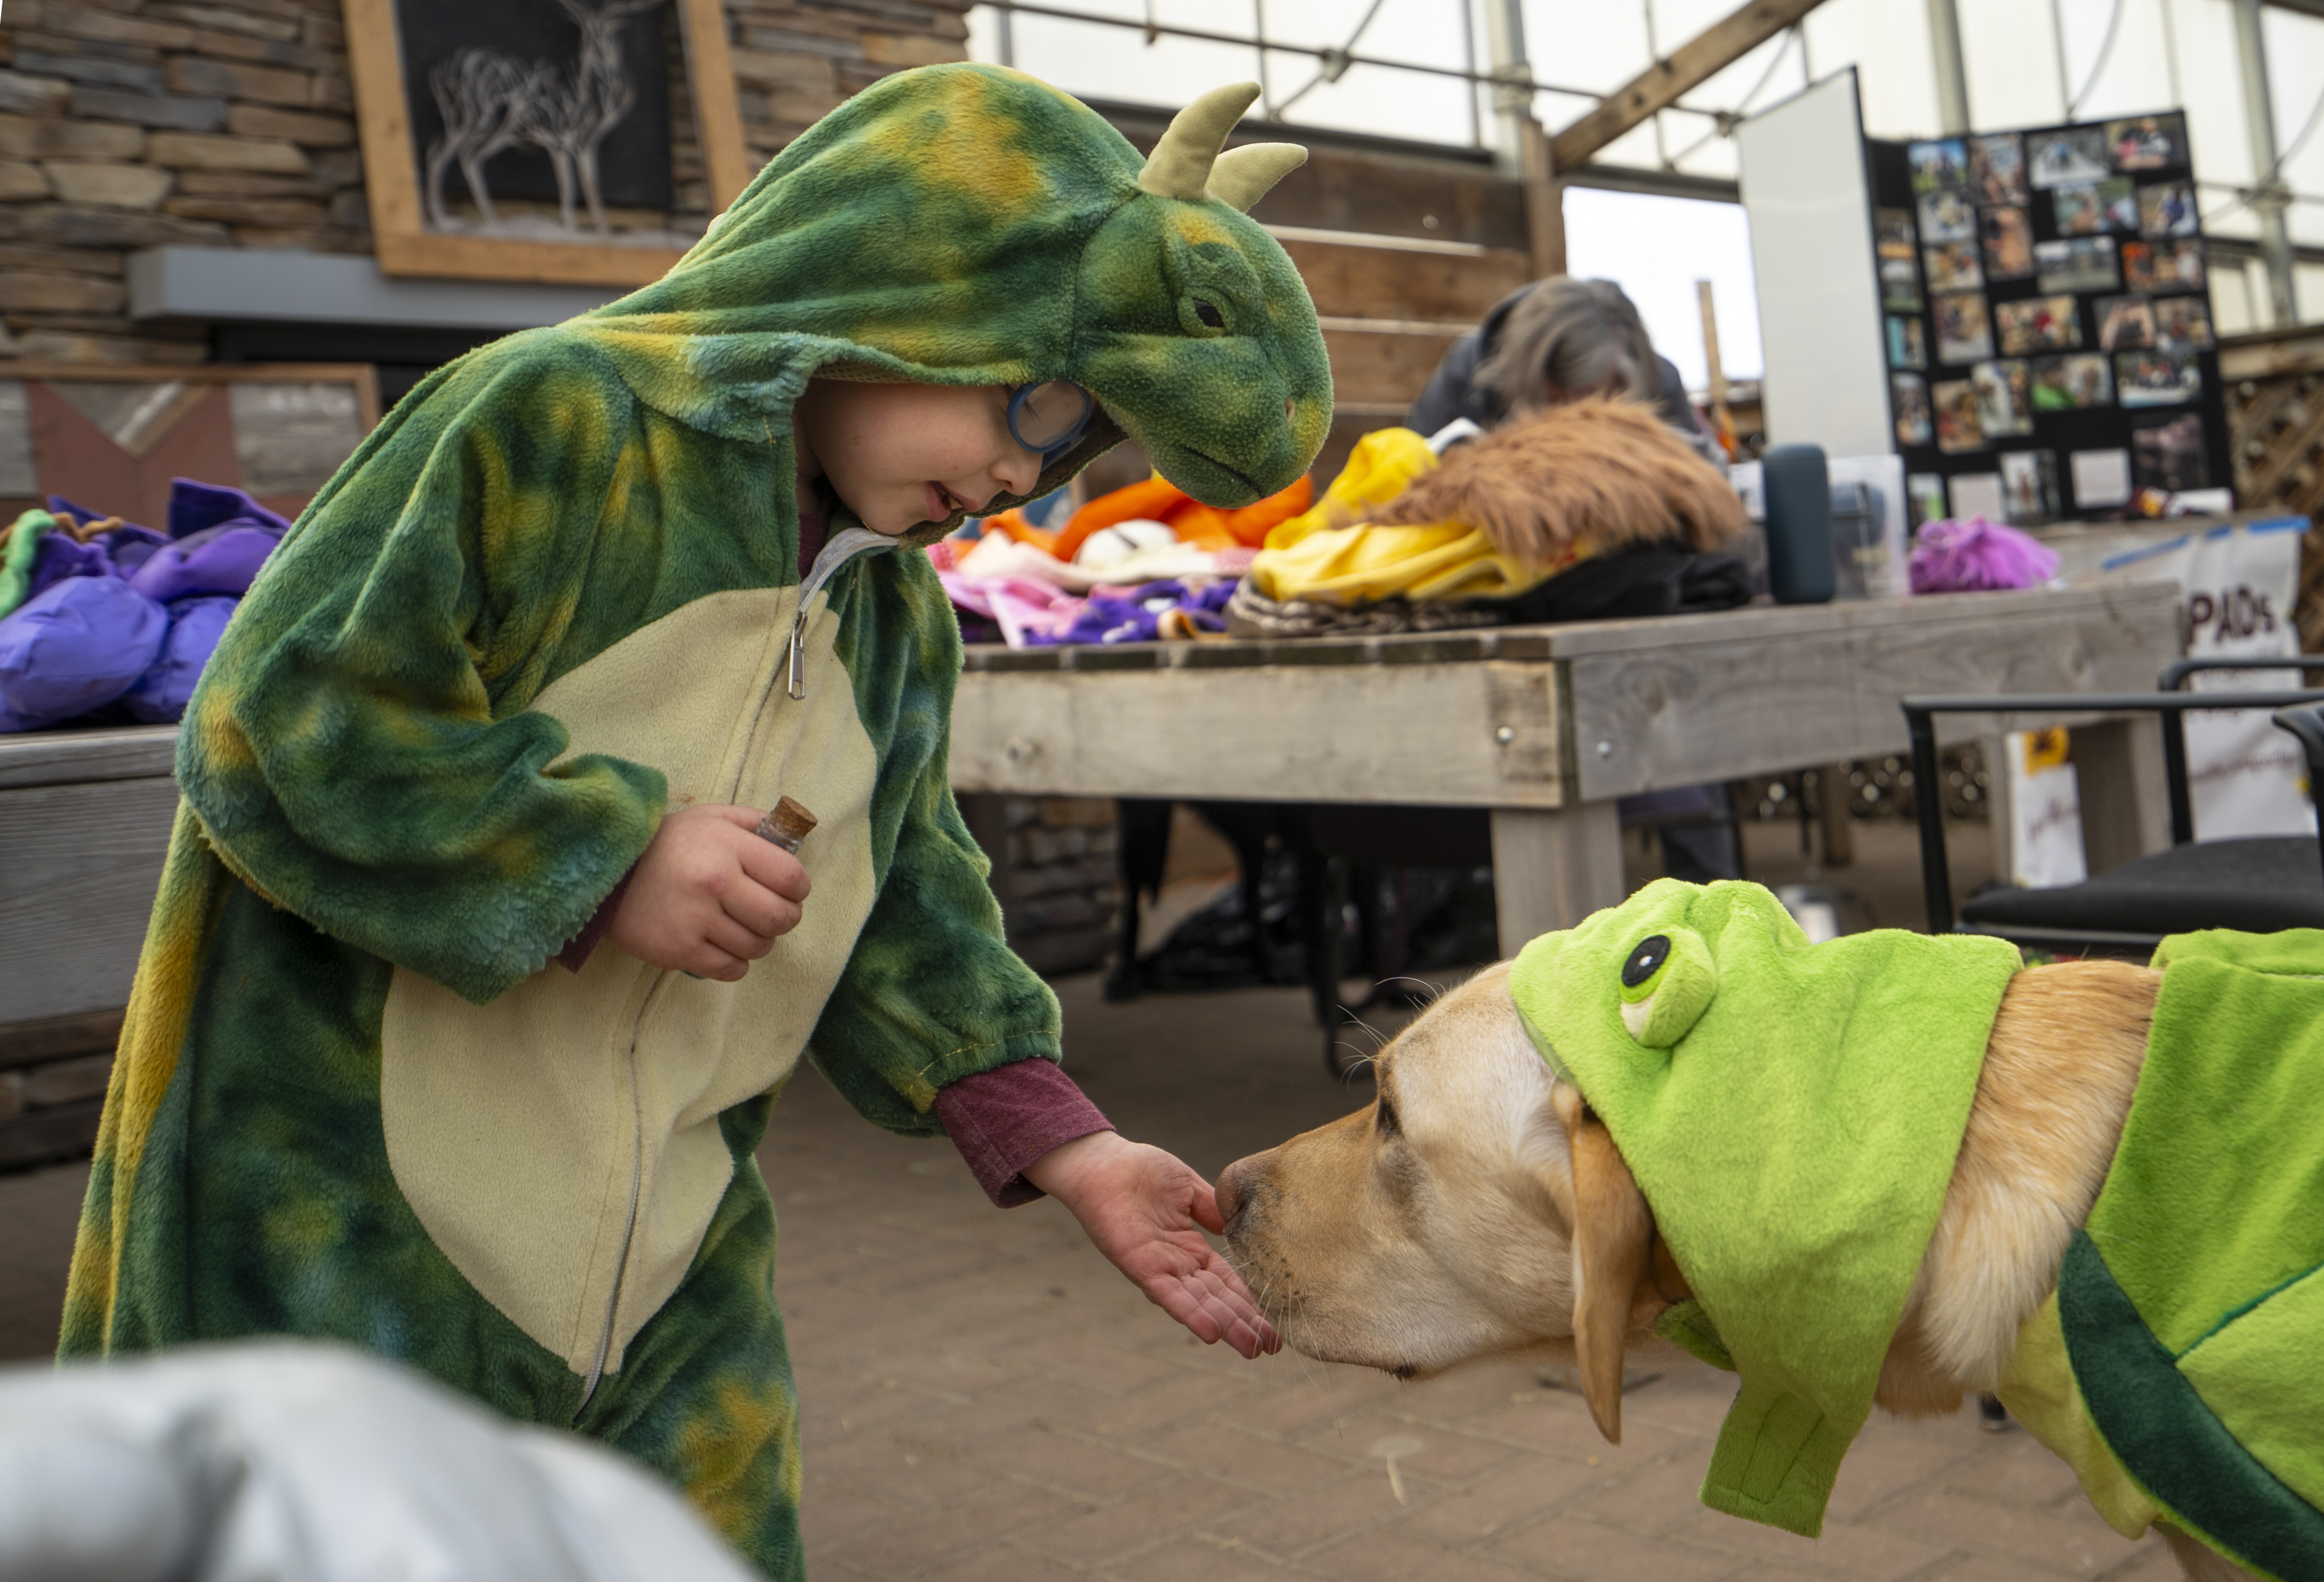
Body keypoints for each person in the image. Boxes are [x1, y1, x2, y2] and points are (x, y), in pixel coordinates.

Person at [59, 66, 1332, 1582]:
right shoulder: (545, 425)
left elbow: (904, 898)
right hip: (336, 1241)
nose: (1020, 479)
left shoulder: (898, 622)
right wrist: (597, 859)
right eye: (1039, 402)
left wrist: (1068, 1144)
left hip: (668, 1275)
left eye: (1071, 456)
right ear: (911, 274)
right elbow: (284, 720)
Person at [1406, 276, 1742, 881]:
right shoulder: (1469, 374)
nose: (1585, 412)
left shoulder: (1656, 378)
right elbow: (1411, 498)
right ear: (1528, 373)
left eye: (1610, 392)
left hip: (1637, 605)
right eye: (1565, 394)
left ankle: (1717, 912)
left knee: (1683, 734)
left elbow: (1705, 510)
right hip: (1504, 612)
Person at [1404, 277, 1717, 459]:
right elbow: (1409, 469)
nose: (1571, 420)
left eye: (1589, 400)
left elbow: (1703, 484)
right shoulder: (1471, 366)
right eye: (1555, 402)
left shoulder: (1660, 380)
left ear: (1623, 381)